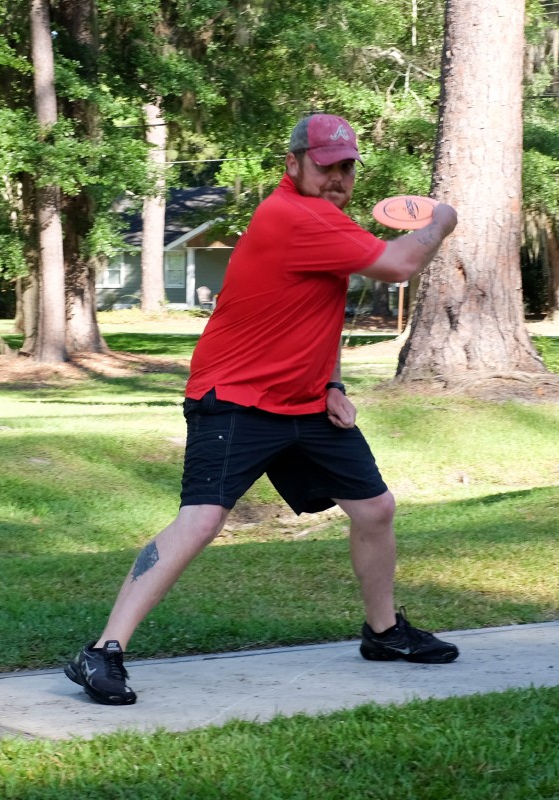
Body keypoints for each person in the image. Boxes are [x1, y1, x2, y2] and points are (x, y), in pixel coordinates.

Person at [65, 113, 459, 705]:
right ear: (294, 163)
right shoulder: (292, 215)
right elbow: (400, 264)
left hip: (306, 404)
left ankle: (384, 634)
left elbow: (311, 312)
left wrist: (332, 382)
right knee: (201, 520)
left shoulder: (324, 219)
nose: (338, 178)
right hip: (235, 399)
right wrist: (442, 220)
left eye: (347, 167)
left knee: (375, 508)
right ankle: (102, 651)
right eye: (325, 166)